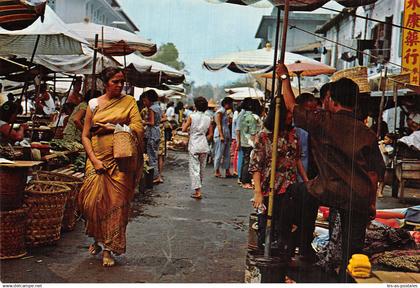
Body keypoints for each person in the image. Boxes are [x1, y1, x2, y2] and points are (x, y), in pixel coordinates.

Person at [277, 64, 385, 282]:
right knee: (353, 252)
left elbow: (290, 105)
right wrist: (371, 203)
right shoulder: (367, 133)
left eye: (326, 98)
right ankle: (345, 279)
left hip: (329, 190)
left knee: (293, 192)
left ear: (333, 102)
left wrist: (284, 77)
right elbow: (374, 174)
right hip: (359, 196)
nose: (323, 101)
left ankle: (294, 246)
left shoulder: (322, 121)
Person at [78, 67, 143, 267]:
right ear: (105, 84)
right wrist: (95, 160)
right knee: (92, 204)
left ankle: (108, 248)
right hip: (96, 158)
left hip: (120, 162)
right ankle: (97, 238)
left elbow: (138, 127)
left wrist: (114, 127)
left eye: (122, 81)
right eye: (115, 81)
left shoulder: (129, 102)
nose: (120, 85)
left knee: (115, 206)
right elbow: (85, 135)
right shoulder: (94, 104)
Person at [250, 98, 308, 250]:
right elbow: (256, 165)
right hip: (269, 188)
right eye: (289, 112)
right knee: (267, 227)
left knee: (285, 229)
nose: (291, 115)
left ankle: (282, 262)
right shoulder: (264, 136)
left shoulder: (294, 134)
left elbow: (296, 160)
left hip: (289, 187)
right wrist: (257, 192)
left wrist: (306, 181)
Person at [182, 97, 213, 199]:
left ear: (195, 106)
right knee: (201, 169)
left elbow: (184, 129)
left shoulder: (191, 116)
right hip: (204, 145)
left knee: (194, 168)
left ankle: (198, 191)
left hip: (194, 145)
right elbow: (210, 134)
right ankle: (199, 189)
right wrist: (203, 137)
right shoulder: (209, 118)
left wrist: (191, 132)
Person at [142, 90, 162, 184]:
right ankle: (157, 176)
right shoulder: (158, 107)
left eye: (145, 99)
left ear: (149, 99)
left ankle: (154, 177)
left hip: (152, 133)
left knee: (151, 156)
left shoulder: (151, 108)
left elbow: (152, 122)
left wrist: (144, 122)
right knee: (155, 155)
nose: (145, 102)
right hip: (157, 132)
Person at [239, 99, 259, 189]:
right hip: (249, 142)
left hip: (243, 141)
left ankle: (242, 179)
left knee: (244, 160)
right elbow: (253, 132)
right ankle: (246, 181)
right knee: (248, 162)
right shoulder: (251, 117)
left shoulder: (242, 115)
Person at [214, 97, 234, 178]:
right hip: (220, 134)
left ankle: (227, 170)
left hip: (226, 134)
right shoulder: (220, 112)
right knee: (219, 153)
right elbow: (219, 124)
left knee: (227, 154)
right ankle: (216, 170)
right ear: (227, 104)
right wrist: (221, 136)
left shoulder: (225, 112)